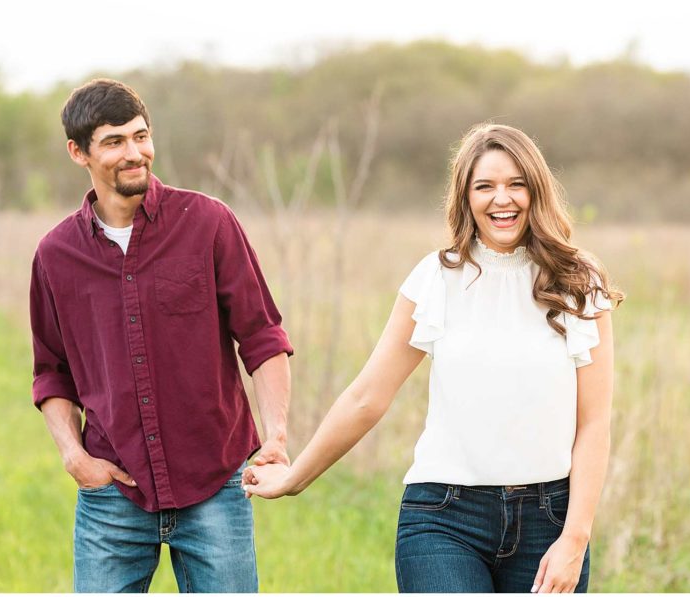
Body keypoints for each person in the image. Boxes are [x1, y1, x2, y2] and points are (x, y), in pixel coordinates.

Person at [244, 123, 622, 593]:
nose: (501, 199)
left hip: (549, 521)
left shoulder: (579, 281)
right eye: (484, 186)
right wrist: (295, 478)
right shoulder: (436, 279)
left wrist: (575, 538)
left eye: (515, 184)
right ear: (465, 198)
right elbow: (367, 397)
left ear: (536, 190)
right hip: (445, 519)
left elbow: (595, 425)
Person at [29, 78, 293, 592]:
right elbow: (51, 372)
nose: (135, 153)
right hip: (113, 495)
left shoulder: (209, 223)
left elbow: (262, 337)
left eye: (141, 136)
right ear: (77, 152)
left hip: (216, 483)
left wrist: (277, 434)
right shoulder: (56, 255)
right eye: (114, 142)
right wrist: (73, 456)